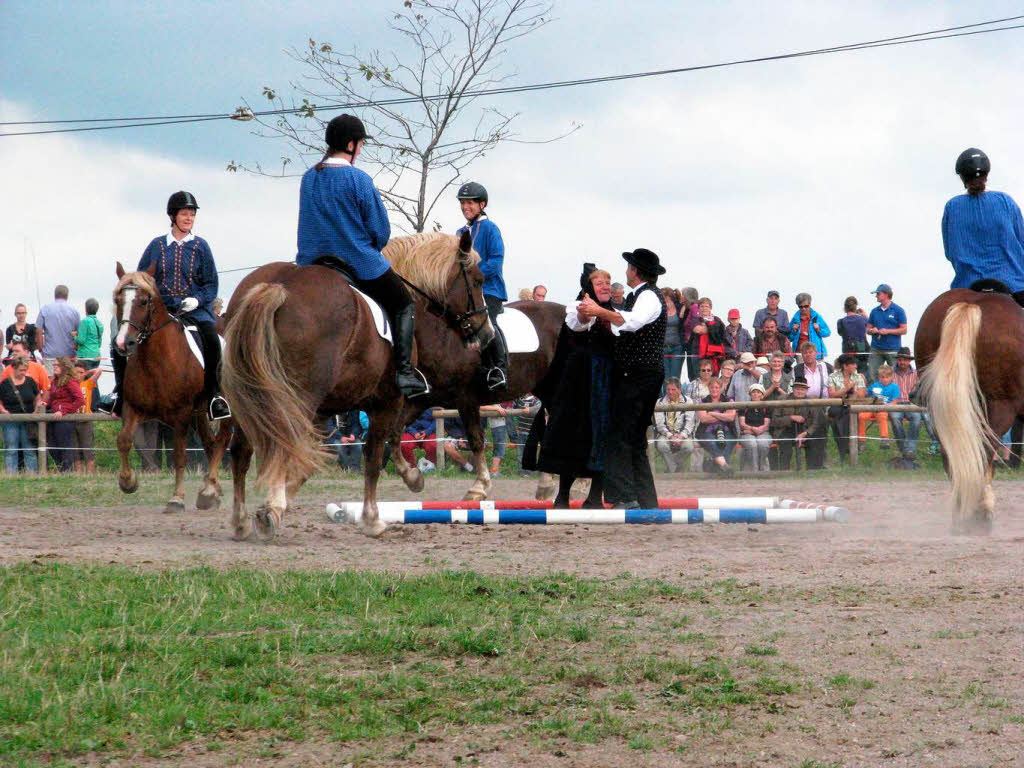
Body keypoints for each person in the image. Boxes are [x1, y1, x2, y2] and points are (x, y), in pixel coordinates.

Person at [295, 114, 429, 398]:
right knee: (403, 303)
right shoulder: (358, 179)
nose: (361, 149)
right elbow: (380, 231)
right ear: (352, 144)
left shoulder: (309, 178)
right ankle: (405, 373)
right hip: (356, 263)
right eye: (361, 144)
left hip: (311, 264)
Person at [578, 249, 667, 508]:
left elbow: (631, 322)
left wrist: (598, 310)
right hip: (640, 373)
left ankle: (626, 497)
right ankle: (646, 499)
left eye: (629, 267)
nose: (626, 270)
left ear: (635, 270)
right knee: (635, 438)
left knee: (621, 435)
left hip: (639, 374)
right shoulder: (637, 296)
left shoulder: (648, 296)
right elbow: (622, 324)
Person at [536, 264, 616, 508]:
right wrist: (588, 310)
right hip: (578, 385)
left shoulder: (616, 313)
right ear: (588, 287)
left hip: (605, 385)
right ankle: (563, 495)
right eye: (599, 281)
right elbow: (579, 323)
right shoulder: (577, 308)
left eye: (608, 281)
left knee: (604, 438)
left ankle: (595, 496)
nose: (605, 285)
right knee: (570, 437)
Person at [942, 147, 1024, 306]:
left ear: (962, 178)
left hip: (966, 286)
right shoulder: (1005, 201)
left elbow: (950, 252)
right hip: (1015, 286)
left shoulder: (952, 207)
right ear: (987, 175)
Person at [457, 181, 509, 391]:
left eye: (470, 203)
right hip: (465, 292)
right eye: (462, 203)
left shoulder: (490, 228)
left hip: (490, 290)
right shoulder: (460, 232)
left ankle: (499, 369)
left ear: (482, 204)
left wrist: (473, 276)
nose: (465, 207)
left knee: (489, 323)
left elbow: (496, 260)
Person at [772, 375, 827, 470]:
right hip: (786, 429)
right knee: (785, 445)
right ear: (793, 389)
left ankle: (813, 471)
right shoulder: (782, 399)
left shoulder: (812, 402)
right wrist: (791, 418)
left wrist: (806, 433)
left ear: (806, 390)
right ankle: (784, 472)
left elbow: (816, 422)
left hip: (805, 429)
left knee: (815, 442)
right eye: (797, 389)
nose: (799, 391)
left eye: (802, 389)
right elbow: (775, 420)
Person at [0, 355, 41, 473]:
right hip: (10, 420)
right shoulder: (5, 384)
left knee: (29, 448)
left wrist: (36, 409)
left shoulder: (30, 381)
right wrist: (3, 411)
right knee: (11, 448)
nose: (23, 372)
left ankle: (32, 474)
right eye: (21, 370)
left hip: (28, 419)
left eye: (25, 370)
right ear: (14, 368)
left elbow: (37, 397)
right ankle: (11, 475)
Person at [43, 356, 84, 472]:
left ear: (64, 367)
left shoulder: (70, 381)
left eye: (57, 365)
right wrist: (45, 403)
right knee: (51, 444)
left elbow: (80, 400)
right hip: (54, 416)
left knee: (63, 444)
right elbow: (53, 397)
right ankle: (61, 468)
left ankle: (67, 471)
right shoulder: (55, 381)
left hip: (65, 418)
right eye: (54, 365)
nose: (54, 367)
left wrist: (64, 410)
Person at [826, 353, 867, 464]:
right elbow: (832, 394)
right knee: (837, 413)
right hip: (837, 405)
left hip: (853, 405)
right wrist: (846, 388)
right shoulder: (833, 376)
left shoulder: (858, 377)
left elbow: (862, 394)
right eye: (853, 364)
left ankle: (844, 446)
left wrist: (853, 390)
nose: (855, 367)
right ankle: (846, 445)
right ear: (845, 366)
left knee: (846, 414)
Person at [654, 377, 697, 473]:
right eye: (668, 389)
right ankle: (675, 470)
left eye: (673, 389)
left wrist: (681, 436)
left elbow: (690, 422)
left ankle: (672, 466)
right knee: (661, 445)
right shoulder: (659, 402)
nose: (670, 392)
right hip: (666, 434)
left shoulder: (688, 401)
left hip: (683, 434)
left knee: (689, 447)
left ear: (680, 390)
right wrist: (670, 436)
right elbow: (659, 424)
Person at [865, 284, 907, 380]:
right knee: (872, 375)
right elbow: (867, 330)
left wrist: (888, 331)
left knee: (895, 376)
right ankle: (874, 394)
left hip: (893, 349)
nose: (876, 296)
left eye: (878, 294)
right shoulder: (874, 311)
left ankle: (896, 394)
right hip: (876, 348)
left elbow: (904, 330)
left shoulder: (898, 311)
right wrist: (872, 330)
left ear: (886, 294)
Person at [35, 285, 80, 374]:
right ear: (67, 296)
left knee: (51, 383)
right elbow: (78, 333)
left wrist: (40, 348)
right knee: (68, 382)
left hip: (50, 354)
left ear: (54, 295)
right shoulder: (74, 312)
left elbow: (38, 329)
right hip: (69, 355)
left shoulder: (45, 309)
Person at [890, 347, 923, 466]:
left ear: (909, 361)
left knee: (917, 418)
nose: (902, 362)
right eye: (899, 359)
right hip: (896, 403)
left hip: (911, 404)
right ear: (897, 360)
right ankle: (906, 450)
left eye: (904, 360)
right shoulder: (890, 373)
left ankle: (909, 449)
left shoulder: (916, 374)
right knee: (894, 418)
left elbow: (920, 391)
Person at [696, 377, 737, 474]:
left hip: (728, 430)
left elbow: (731, 417)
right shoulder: (702, 401)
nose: (714, 389)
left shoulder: (729, 400)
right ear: (708, 388)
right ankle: (725, 467)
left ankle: (720, 470)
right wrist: (723, 415)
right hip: (706, 431)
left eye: (717, 387)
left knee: (726, 444)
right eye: (712, 387)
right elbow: (704, 419)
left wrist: (713, 414)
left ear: (721, 388)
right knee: (712, 443)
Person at [860, 364, 900, 449]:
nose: (884, 379)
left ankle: (884, 439)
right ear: (879, 377)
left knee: (882, 415)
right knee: (861, 416)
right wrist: (862, 383)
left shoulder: (894, 387)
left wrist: (887, 406)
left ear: (891, 377)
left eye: (887, 377)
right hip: (872, 407)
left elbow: (895, 400)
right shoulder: (875, 385)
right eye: (882, 377)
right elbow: (865, 393)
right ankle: (861, 441)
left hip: (883, 409)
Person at [70, 361, 99, 474]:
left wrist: (87, 372)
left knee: (88, 450)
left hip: (86, 422)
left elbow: (98, 371)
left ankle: (91, 476)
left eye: (81, 372)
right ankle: (78, 475)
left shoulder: (88, 384)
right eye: (76, 372)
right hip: (72, 421)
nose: (79, 374)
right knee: (75, 452)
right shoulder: (70, 385)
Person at [689, 297, 729, 373]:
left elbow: (722, 332)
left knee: (714, 379)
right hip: (698, 354)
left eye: (706, 306)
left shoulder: (717, 319)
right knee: (699, 378)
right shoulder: (695, 320)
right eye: (702, 306)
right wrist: (713, 328)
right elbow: (699, 330)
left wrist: (705, 325)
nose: (704, 308)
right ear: (698, 308)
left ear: (710, 308)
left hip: (714, 354)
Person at [738, 383, 772, 472]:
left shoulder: (766, 407)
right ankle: (754, 470)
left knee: (763, 444)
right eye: (753, 392)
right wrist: (753, 429)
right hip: (747, 433)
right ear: (750, 394)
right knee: (752, 444)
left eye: (758, 392)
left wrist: (757, 430)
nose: (755, 394)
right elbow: (742, 424)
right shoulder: (744, 406)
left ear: (762, 395)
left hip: (762, 432)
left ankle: (763, 468)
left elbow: (766, 425)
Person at [788, 293, 830, 359]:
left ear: (810, 304)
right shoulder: (795, 319)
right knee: (801, 369)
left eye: (806, 306)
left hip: (815, 354)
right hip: (800, 354)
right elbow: (789, 338)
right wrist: (794, 331)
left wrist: (819, 330)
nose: (803, 309)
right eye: (801, 307)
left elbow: (827, 332)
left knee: (818, 369)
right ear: (798, 306)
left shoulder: (816, 317)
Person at [836, 296, 868, 376]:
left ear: (845, 308)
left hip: (848, 348)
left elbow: (840, 333)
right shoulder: (863, 319)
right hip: (861, 346)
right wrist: (864, 316)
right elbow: (870, 326)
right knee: (863, 372)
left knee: (847, 373)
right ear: (855, 306)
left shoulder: (841, 321)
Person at [661, 288, 684, 384]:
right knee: (664, 377)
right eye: (663, 301)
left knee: (675, 377)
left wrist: (684, 308)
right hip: (662, 348)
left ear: (672, 299)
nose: (666, 303)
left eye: (668, 301)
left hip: (677, 347)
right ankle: (664, 398)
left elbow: (692, 305)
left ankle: (676, 398)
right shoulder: (658, 310)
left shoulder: (679, 307)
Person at [74, 298, 104, 370]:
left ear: (86, 309)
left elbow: (81, 340)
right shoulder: (100, 324)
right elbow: (99, 343)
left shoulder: (85, 321)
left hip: (85, 356)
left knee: (85, 379)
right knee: (93, 379)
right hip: (96, 356)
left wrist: (74, 336)